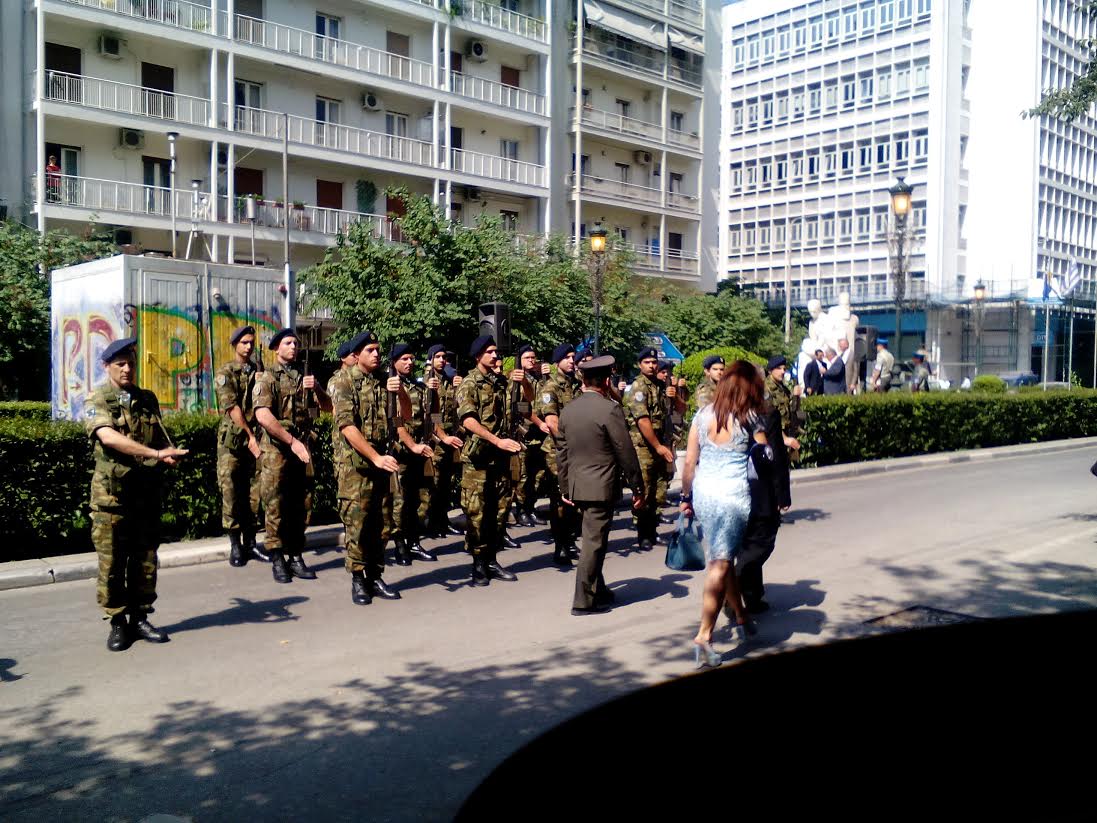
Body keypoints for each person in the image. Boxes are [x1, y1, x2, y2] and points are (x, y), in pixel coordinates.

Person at [85, 337, 188, 651]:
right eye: (120, 364)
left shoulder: (146, 399)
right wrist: (155, 454)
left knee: (145, 560)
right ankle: (117, 623)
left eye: (131, 363)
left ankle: (140, 618)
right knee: (112, 564)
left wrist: (167, 454)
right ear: (106, 366)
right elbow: (109, 437)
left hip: (145, 495)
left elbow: (159, 439)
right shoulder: (97, 399)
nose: (127, 369)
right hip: (112, 499)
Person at [679, 360, 768, 668]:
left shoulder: (702, 415)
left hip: (704, 493)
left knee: (723, 555)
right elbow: (764, 457)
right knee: (720, 564)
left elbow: (689, 462)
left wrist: (686, 497)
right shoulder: (750, 417)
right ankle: (704, 636)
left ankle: (741, 616)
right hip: (732, 497)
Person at [557, 355, 646, 615]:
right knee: (594, 543)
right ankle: (583, 601)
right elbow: (625, 451)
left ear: (584, 380)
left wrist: (565, 487)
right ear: (607, 381)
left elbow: (561, 453)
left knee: (594, 539)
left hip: (577, 485)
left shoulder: (569, 410)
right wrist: (637, 487)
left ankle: (599, 589)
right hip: (601, 486)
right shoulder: (609, 409)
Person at [329, 331, 403, 605]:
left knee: (382, 523)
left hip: (381, 463)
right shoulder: (343, 381)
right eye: (370, 350)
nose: (376, 354)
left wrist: (400, 391)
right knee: (358, 524)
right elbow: (347, 426)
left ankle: (375, 575)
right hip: (355, 468)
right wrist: (375, 457)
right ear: (356, 354)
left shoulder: (384, 380)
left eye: (377, 350)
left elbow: (404, 417)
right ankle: (358, 579)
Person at [253, 328, 332, 584]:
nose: (293, 347)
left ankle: (295, 555)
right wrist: (291, 441)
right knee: (275, 504)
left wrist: (317, 387)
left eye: (295, 343)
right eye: (288, 343)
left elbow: (328, 407)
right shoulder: (268, 378)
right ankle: (277, 557)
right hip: (277, 450)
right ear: (276, 348)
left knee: (302, 503)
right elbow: (263, 415)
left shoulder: (304, 375)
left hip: (302, 448)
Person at [457, 335, 523, 585]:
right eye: (490, 352)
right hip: (478, 461)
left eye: (496, 352)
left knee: (499, 512)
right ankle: (478, 565)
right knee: (478, 514)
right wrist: (496, 441)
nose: (496, 356)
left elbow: (524, 404)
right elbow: (468, 420)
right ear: (478, 356)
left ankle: (492, 560)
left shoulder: (500, 382)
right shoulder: (469, 383)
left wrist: (523, 382)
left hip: (500, 459)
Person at [216, 325, 266, 568]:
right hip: (233, 442)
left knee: (255, 492)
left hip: (255, 440)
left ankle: (251, 542)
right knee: (231, 491)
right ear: (235, 344)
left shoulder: (257, 370)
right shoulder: (225, 372)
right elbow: (232, 407)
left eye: (251, 343)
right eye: (244, 342)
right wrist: (250, 436)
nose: (248, 347)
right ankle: (235, 544)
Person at [737, 386, 786, 614]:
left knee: (748, 543)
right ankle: (730, 583)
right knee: (761, 542)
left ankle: (752, 596)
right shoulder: (765, 414)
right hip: (759, 490)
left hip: (731, 489)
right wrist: (781, 493)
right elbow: (774, 455)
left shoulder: (719, 413)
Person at [389, 342, 439, 565]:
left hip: (420, 448)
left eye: (411, 358)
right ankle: (400, 545)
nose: (410, 362)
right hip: (401, 452)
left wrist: (434, 392)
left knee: (420, 498)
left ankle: (414, 541)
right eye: (404, 359)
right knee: (400, 502)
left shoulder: (418, 385)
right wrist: (412, 445)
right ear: (394, 362)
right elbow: (396, 421)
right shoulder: (391, 386)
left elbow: (433, 413)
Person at [623, 347, 675, 551]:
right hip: (644, 447)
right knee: (643, 491)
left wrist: (675, 395)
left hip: (659, 444)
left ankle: (652, 531)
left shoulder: (659, 385)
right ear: (639, 365)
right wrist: (658, 446)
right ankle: (643, 534)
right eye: (647, 362)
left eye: (654, 362)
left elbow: (676, 411)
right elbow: (643, 421)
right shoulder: (639, 387)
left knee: (658, 490)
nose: (652, 366)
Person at [538, 342, 583, 566]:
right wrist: (570, 442)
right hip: (559, 450)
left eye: (573, 357)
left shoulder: (577, 385)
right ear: (557, 362)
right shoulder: (550, 387)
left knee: (576, 499)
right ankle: (560, 545)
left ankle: (571, 539)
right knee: (560, 501)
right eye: (567, 357)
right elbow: (552, 422)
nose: (572, 361)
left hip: (579, 450)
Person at [424, 344, 465, 537]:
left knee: (446, 482)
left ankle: (442, 520)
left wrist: (459, 386)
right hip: (436, 439)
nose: (442, 360)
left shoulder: (448, 380)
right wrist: (442, 436)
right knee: (435, 482)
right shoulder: (428, 381)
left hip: (450, 436)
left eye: (444, 357)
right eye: (438, 357)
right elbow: (432, 414)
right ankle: (432, 521)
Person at [513, 345, 551, 527]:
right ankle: (521, 510)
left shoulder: (538, 378)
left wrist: (547, 377)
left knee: (538, 474)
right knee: (523, 474)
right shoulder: (517, 379)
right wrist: (539, 422)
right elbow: (522, 407)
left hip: (540, 432)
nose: (531, 360)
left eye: (533, 357)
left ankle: (530, 507)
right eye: (527, 357)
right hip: (525, 431)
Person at [762, 355, 798, 509]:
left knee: (782, 471)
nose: (783, 371)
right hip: (773, 436)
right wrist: (784, 438)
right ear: (771, 370)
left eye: (784, 368)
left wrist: (796, 396)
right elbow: (771, 417)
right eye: (779, 368)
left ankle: (781, 504)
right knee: (774, 473)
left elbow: (790, 411)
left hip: (783, 435)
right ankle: (774, 507)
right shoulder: (767, 388)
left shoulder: (782, 388)